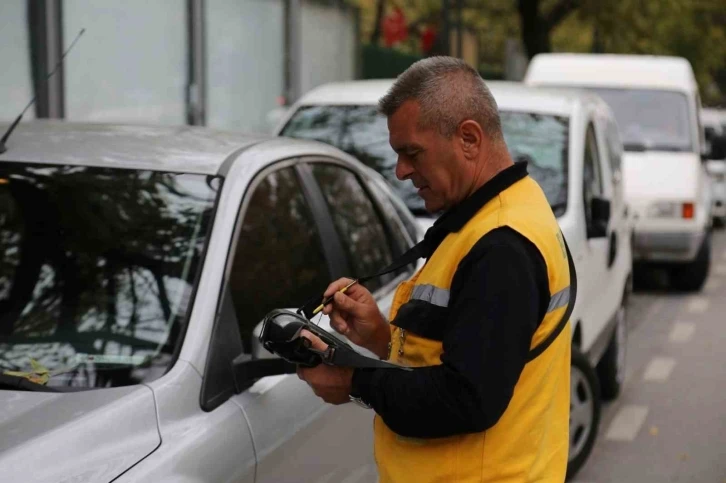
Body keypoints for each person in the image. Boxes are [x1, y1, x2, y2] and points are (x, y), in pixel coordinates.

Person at [297, 56, 573, 483]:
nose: (401, 170)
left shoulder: (502, 248)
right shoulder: (506, 210)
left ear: (468, 138)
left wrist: (354, 381)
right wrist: (379, 336)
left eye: (412, 153)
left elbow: (466, 398)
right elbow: (463, 353)